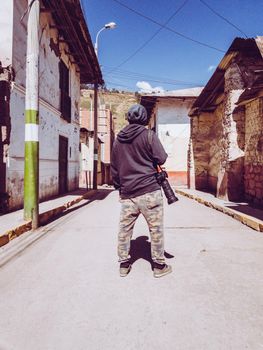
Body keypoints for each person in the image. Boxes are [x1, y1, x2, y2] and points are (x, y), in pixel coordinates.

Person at [111, 104, 172, 278]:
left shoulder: (118, 140)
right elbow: (161, 158)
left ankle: (124, 265)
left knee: (124, 230)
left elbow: (114, 169)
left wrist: (119, 187)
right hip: (150, 191)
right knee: (156, 229)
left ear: (128, 118)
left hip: (128, 193)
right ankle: (159, 266)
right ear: (144, 118)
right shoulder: (149, 136)